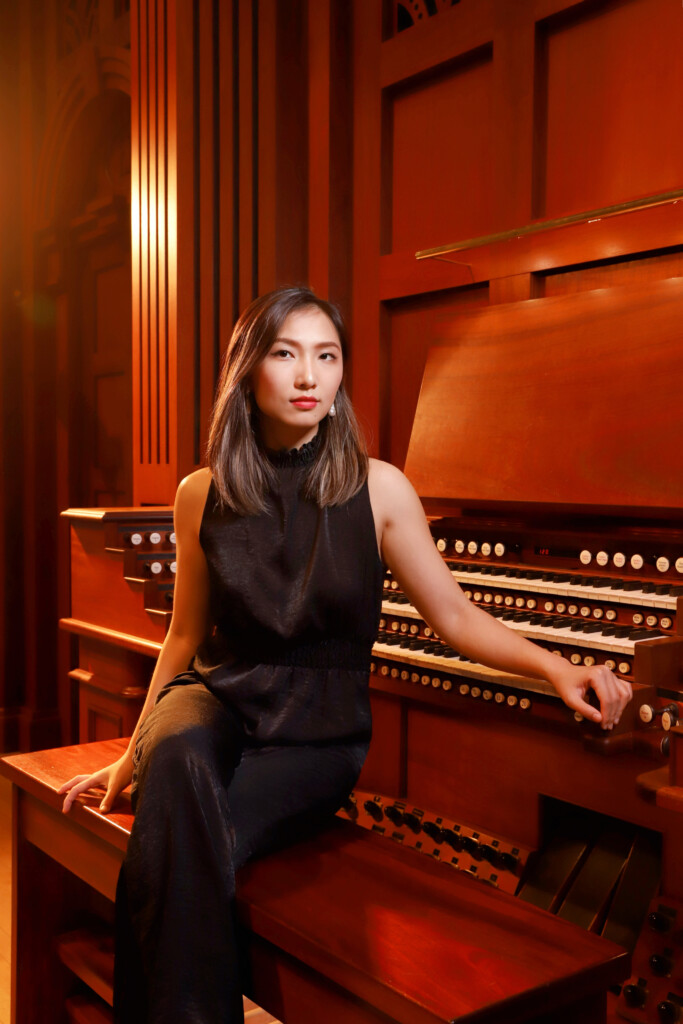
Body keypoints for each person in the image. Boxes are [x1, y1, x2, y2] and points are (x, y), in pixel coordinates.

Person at [59, 285, 632, 1023]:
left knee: (173, 847)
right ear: (248, 372)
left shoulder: (379, 488)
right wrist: (130, 754)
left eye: (325, 357)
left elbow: (453, 615)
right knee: (173, 762)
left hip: (314, 734)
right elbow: (184, 638)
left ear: (338, 379)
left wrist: (558, 666)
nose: (307, 376)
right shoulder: (200, 493)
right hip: (213, 698)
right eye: (286, 354)